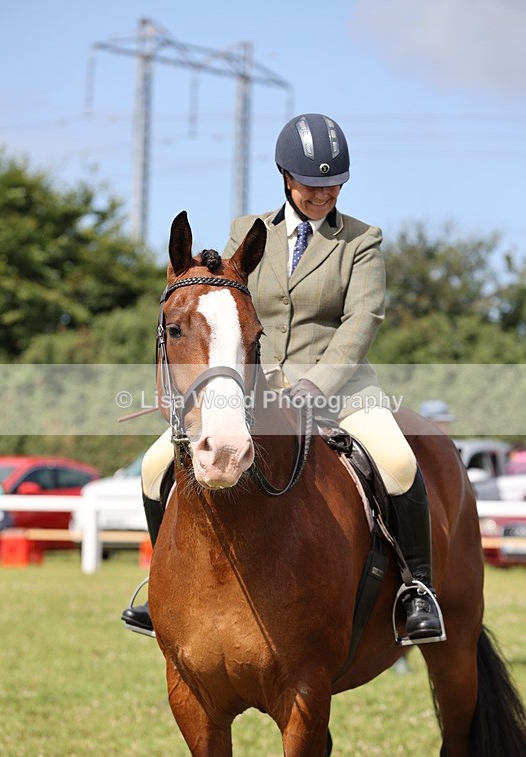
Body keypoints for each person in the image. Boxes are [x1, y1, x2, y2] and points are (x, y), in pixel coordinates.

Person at [122, 113, 445, 645]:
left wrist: (317, 384)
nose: (322, 194)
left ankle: (417, 590)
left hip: (343, 390)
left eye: (333, 184)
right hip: (255, 388)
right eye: (311, 183)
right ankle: (165, 589)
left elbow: (361, 320)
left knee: (398, 461)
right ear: (285, 176)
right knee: (156, 465)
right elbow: (226, 308)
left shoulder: (361, 240)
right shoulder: (248, 232)